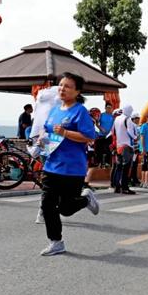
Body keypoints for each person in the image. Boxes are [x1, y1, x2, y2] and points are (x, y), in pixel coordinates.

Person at [38, 72, 99, 256]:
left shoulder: (80, 111)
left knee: (65, 208)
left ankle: (86, 199)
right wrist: (42, 138)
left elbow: (89, 137)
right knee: (47, 204)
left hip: (72, 168)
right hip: (51, 164)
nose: (63, 89)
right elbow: (46, 129)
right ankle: (56, 242)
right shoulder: (55, 110)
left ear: (77, 91)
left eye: (68, 86)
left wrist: (65, 133)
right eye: (61, 85)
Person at [112, 104, 138, 194]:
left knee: (118, 167)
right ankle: (125, 187)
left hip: (119, 145)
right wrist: (135, 137)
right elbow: (130, 132)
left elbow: (113, 131)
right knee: (126, 167)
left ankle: (116, 187)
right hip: (127, 146)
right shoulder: (128, 119)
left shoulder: (116, 119)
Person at [96, 102, 115, 167]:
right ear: (105, 108)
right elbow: (96, 123)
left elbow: (114, 126)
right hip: (101, 135)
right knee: (99, 149)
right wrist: (101, 128)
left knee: (108, 149)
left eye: (110, 108)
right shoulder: (101, 115)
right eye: (108, 108)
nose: (109, 109)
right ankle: (99, 162)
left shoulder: (113, 116)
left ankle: (107, 163)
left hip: (109, 136)